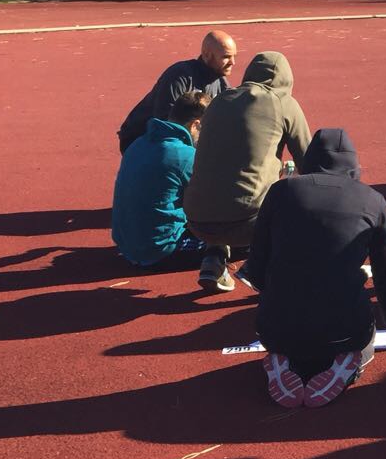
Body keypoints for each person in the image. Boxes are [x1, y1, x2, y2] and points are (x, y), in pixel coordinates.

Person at [243, 128, 386, 408]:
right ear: (353, 166)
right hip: (344, 329)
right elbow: (385, 273)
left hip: (276, 328)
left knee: (289, 322)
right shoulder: (373, 200)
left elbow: (257, 265)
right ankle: (346, 362)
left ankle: (281, 359)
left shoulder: (281, 191)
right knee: (362, 336)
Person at [182, 51, 312, 294]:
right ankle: (262, 266)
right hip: (246, 222)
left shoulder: (219, 100)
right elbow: (310, 162)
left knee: (223, 180)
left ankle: (214, 258)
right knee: (294, 197)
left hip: (197, 220)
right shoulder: (283, 102)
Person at [110, 91, 210, 268]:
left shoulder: (138, 143)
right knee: (238, 237)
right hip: (161, 250)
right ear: (196, 125)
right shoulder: (185, 156)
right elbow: (213, 200)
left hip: (126, 245)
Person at [116, 31, 237, 154]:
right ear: (206, 55)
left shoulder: (222, 85)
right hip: (140, 138)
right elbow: (164, 123)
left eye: (234, 56)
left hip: (179, 140)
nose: (232, 62)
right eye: (226, 57)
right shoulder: (180, 76)